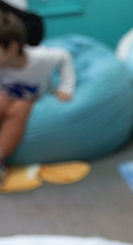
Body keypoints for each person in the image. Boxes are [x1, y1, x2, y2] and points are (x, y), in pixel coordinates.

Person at [0, 12, 72, 181]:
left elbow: (64, 56)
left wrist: (66, 86)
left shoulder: (39, 58)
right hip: (5, 92)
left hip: (30, 95)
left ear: (12, 48)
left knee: (19, 109)